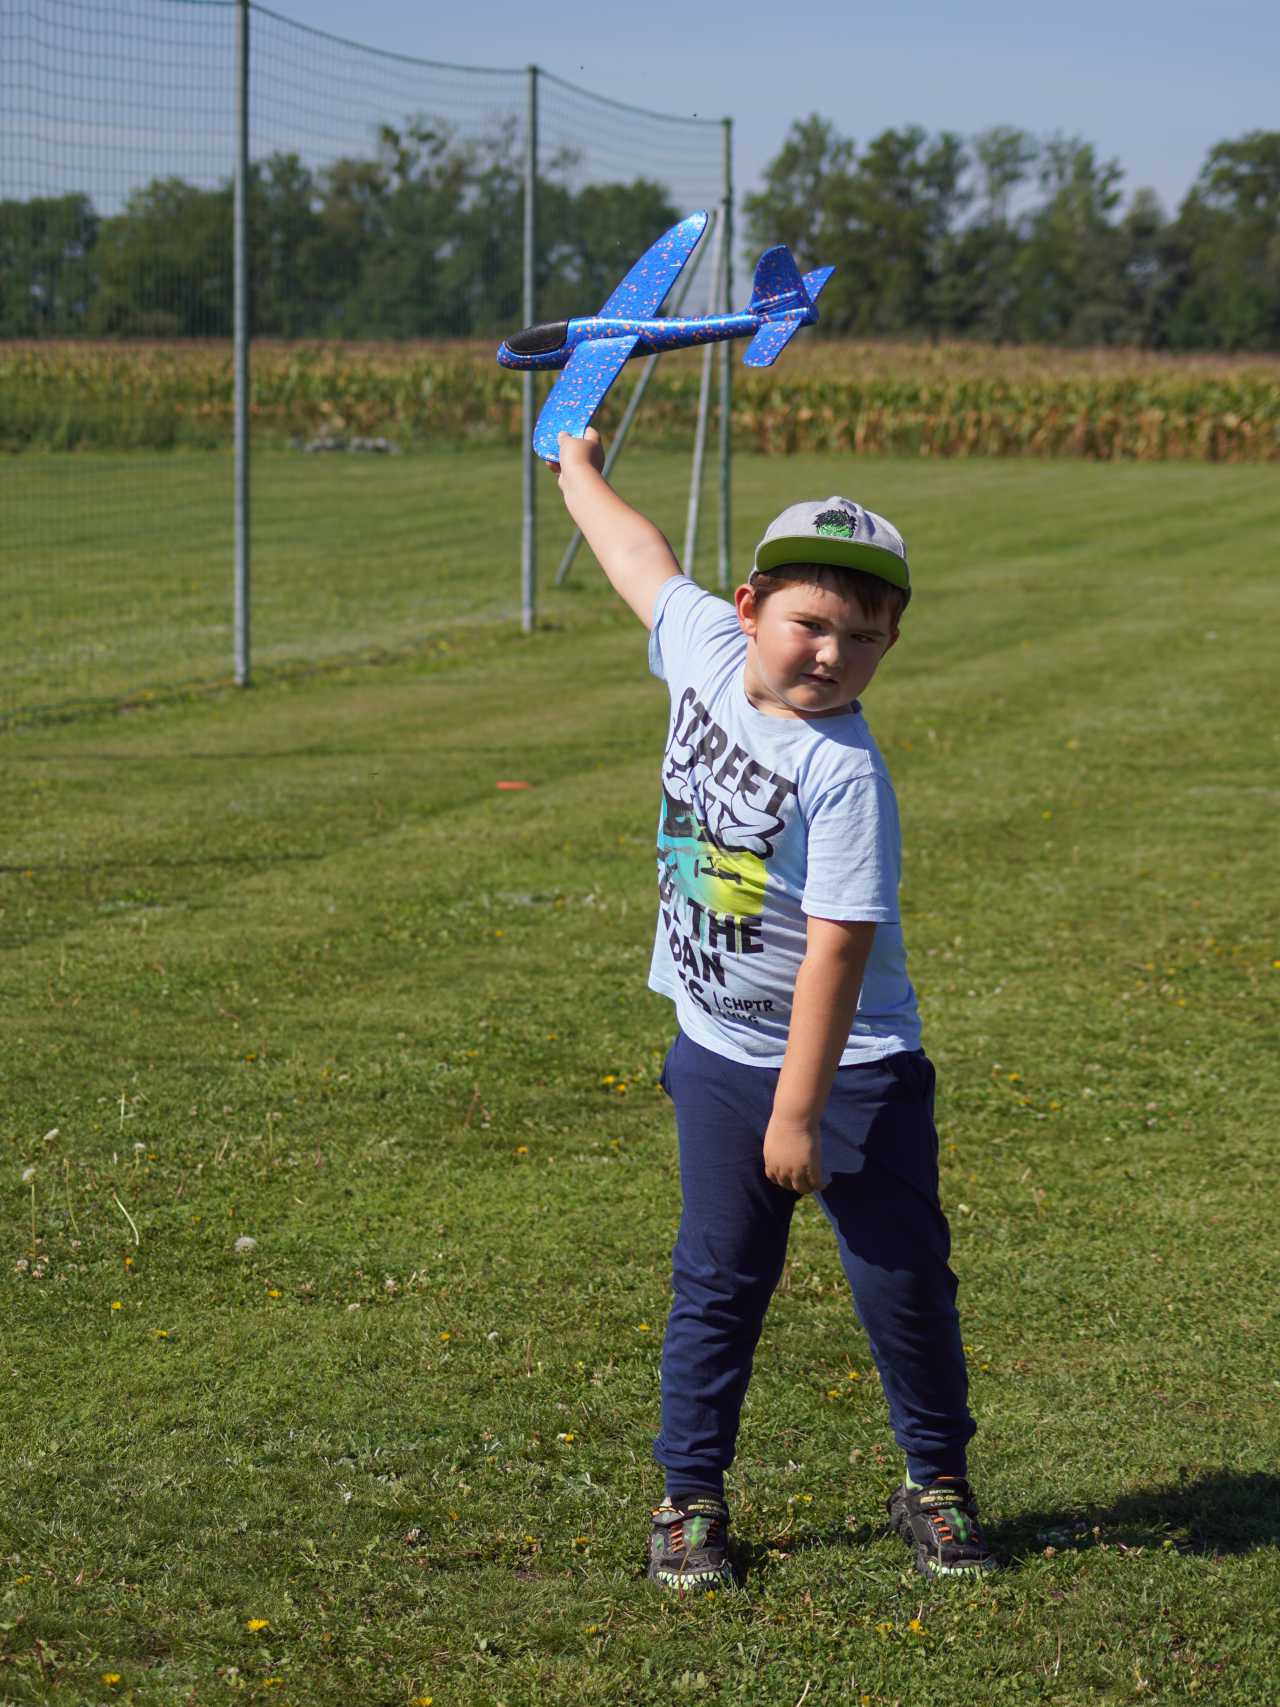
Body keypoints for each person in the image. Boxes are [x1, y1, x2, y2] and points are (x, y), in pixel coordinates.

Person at [550, 428, 996, 1588]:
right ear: (747, 606)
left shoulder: (842, 771)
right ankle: (687, 1501)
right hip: (715, 1055)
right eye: (810, 623)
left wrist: (795, 1114)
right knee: (716, 1285)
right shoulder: (700, 648)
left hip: (848, 1075)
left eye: (862, 637)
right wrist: (575, 468)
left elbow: (838, 952)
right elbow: (639, 557)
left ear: (890, 642)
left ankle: (936, 1483)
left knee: (900, 1283)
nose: (831, 653)